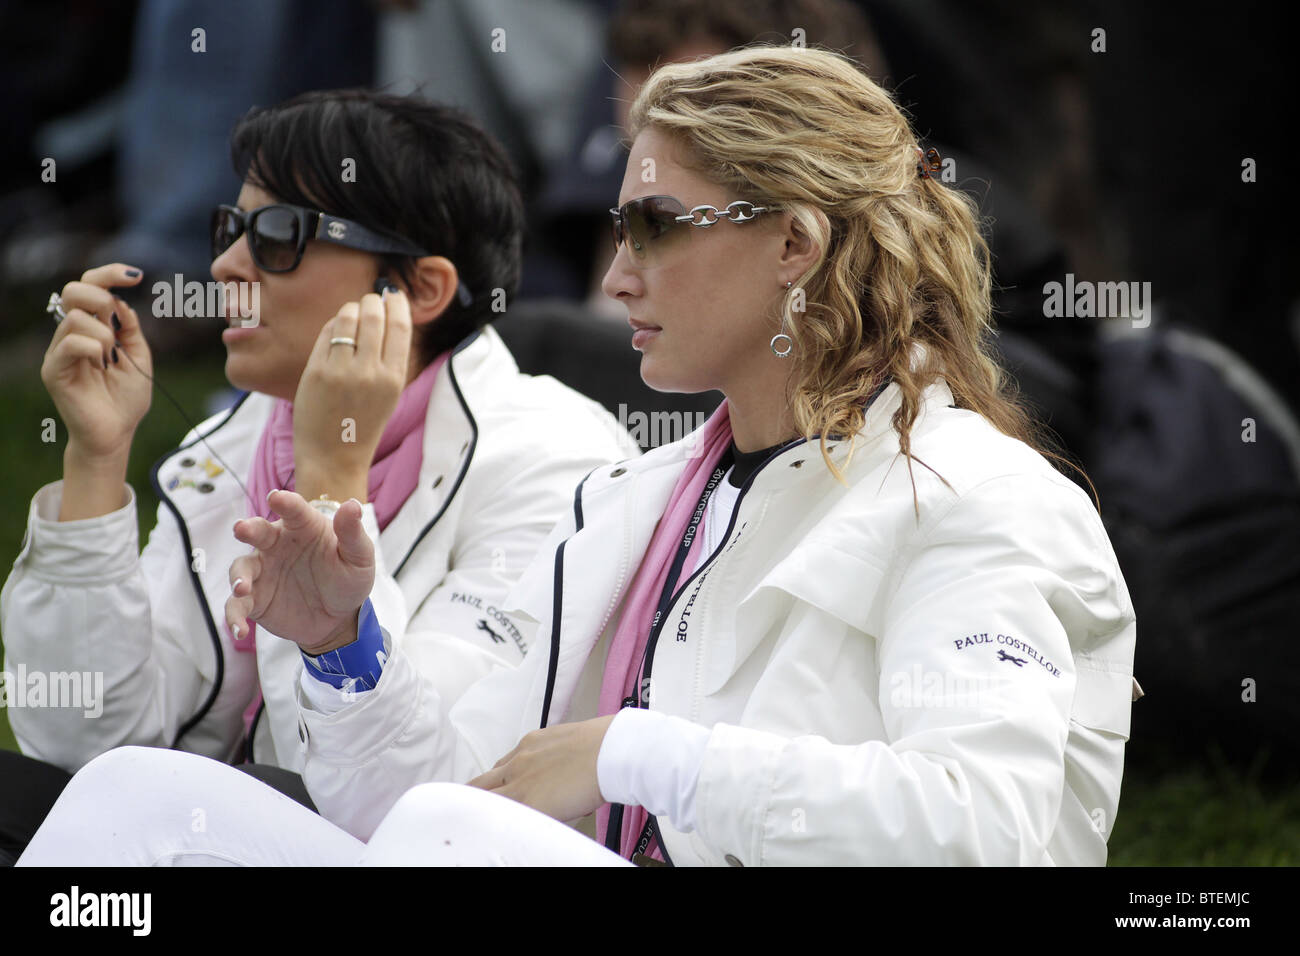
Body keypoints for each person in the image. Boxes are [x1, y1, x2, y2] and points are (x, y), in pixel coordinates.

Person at [19, 46, 1136, 867]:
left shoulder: (976, 493)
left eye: (657, 225)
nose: (615, 277)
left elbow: (986, 826)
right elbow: (407, 800)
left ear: (794, 241)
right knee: (141, 796)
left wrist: (635, 754)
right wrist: (342, 648)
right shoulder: (640, 493)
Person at [1, 89, 637, 863]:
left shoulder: (557, 461)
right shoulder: (240, 436)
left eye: (277, 235)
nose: (225, 265)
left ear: (418, 289)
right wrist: (95, 460)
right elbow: (84, 740)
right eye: (229, 229)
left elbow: (417, 806)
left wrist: (333, 477)